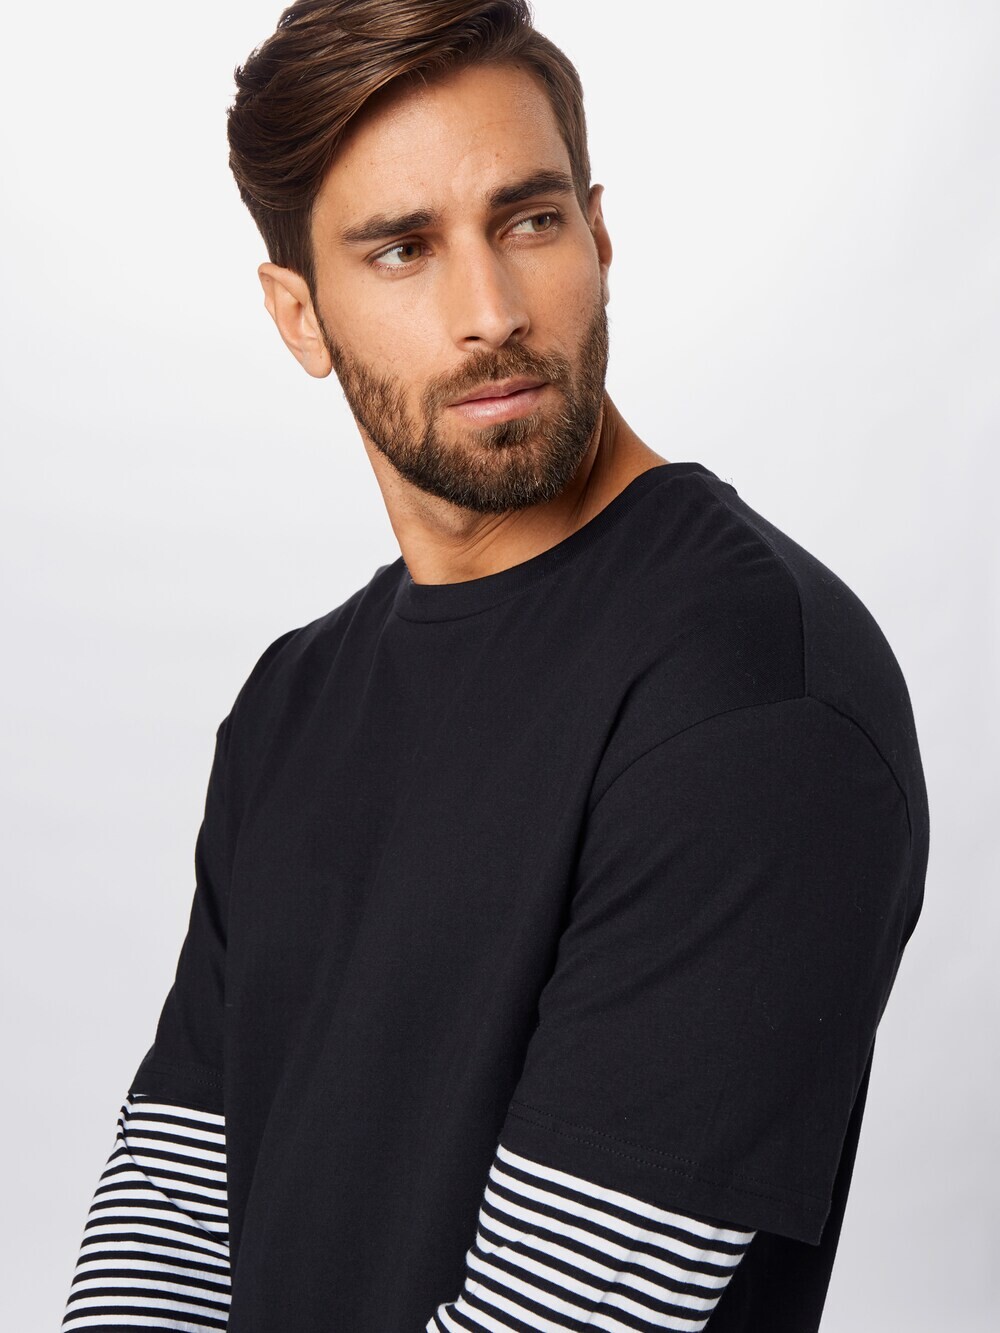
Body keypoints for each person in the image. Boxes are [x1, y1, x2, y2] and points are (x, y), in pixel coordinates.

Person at [61, 2, 928, 1330]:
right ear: (300, 315)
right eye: (403, 249)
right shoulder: (292, 701)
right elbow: (175, 1210)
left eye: (528, 221)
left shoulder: (753, 698)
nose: (492, 313)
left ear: (599, 234)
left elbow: (564, 1312)